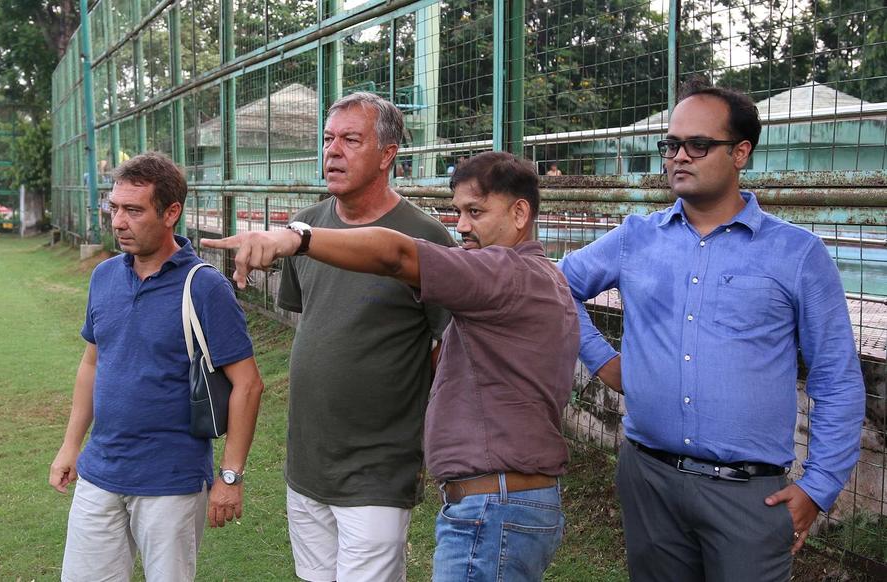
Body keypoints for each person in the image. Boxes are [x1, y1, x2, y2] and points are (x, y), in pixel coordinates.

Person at [204, 151, 580, 581]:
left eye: (475, 212)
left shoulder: (502, 272)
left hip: (491, 509)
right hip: (504, 504)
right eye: (457, 212)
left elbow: (397, 255)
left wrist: (299, 240)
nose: (461, 226)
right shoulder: (542, 276)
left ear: (519, 213)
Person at [559, 81, 865, 581]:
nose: (679, 156)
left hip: (749, 496)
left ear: (740, 152)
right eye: (672, 145)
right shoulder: (635, 238)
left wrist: (818, 486)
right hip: (648, 478)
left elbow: (836, 377)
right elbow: (553, 287)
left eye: (698, 145)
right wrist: (603, 359)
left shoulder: (798, 255)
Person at [240, 92, 455, 582]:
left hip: (379, 469)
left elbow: (449, 349)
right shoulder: (306, 228)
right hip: (307, 461)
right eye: (327, 139)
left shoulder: (425, 239)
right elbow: (312, 322)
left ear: (387, 154)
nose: (332, 151)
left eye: (350, 140)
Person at [48, 152, 265, 581]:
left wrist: (230, 475)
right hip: (100, 471)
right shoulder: (105, 276)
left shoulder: (204, 286)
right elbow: (92, 363)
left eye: (133, 210)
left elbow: (249, 385)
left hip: (172, 480)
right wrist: (71, 445)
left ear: (171, 213)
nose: (118, 222)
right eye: (114, 208)